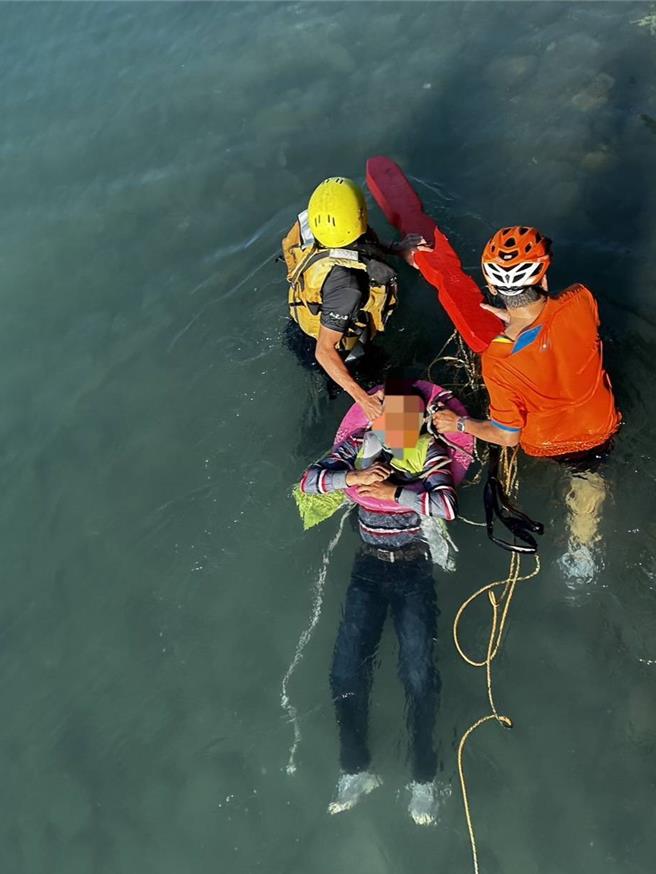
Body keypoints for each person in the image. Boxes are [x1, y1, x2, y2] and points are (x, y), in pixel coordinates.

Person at [298, 380, 457, 824]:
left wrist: (393, 492)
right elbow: (310, 482)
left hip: (413, 570)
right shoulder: (358, 446)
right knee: (344, 671)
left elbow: (444, 503)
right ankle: (356, 769)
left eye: (408, 421)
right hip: (367, 567)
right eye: (391, 420)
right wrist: (355, 477)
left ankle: (425, 776)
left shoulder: (431, 451)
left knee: (419, 675)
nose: (397, 430)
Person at [432, 226, 621, 579]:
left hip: (544, 443)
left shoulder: (498, 360)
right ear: (544, 276)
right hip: (599, 427)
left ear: (491, 288)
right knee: (587, 478)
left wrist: (458, 424)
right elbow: (550, 326)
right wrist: (521, 320)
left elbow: (507, 435)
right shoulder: (582, 299)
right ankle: (582, 554)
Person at [282, 177, 427, 420]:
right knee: (399, 391)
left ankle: (334, 400)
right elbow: (324, 351)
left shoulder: (318, 230)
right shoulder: (347, 286)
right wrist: (364, 399)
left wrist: (396, 248)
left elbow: (357, 248)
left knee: (338, 389)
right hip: (332, 351)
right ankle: (399, 447)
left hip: (302, 327)